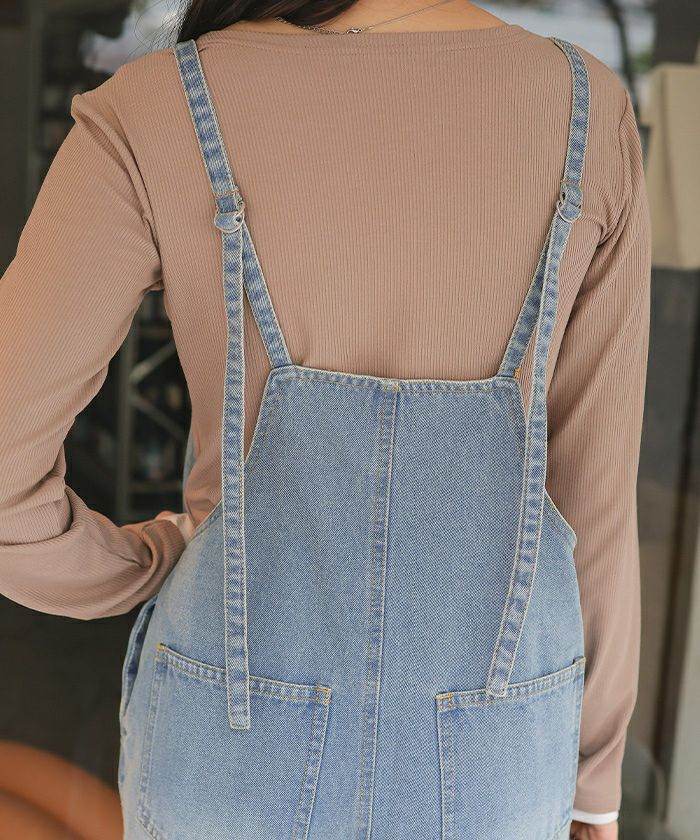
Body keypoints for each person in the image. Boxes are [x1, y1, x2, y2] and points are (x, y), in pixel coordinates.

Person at [0, 2, 650, 839]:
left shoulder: (159, 105)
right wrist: (594, 782)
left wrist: (155, 563)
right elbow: (596, 501)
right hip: (499, 748)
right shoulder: (588, 111)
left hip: (228, 729)